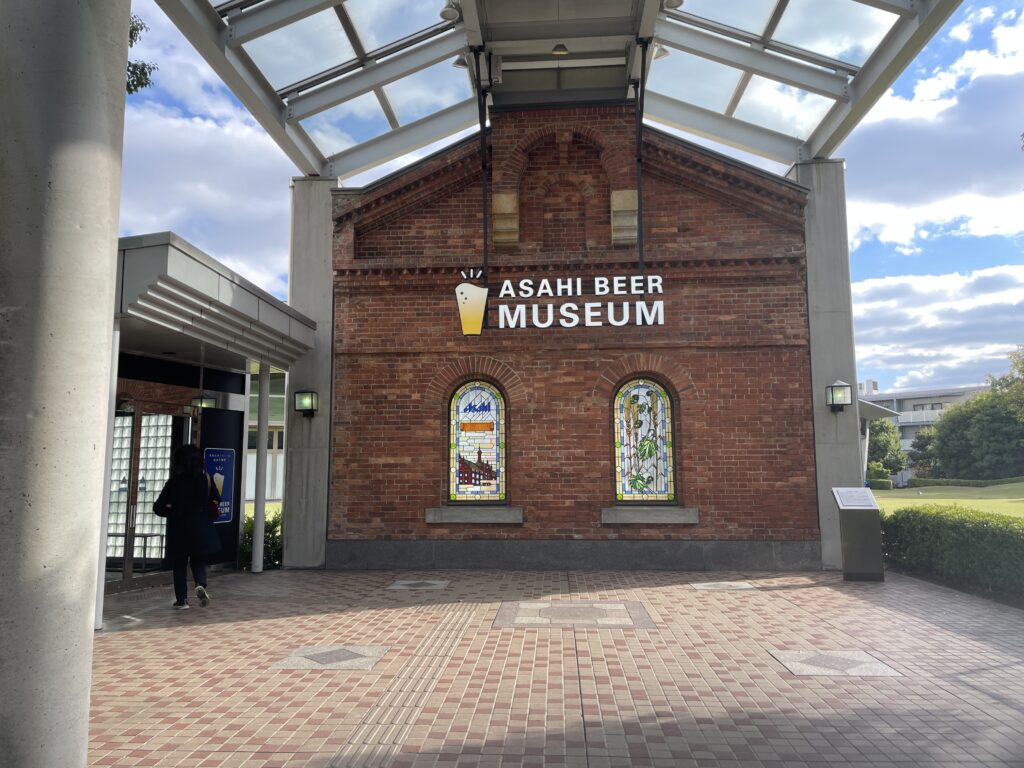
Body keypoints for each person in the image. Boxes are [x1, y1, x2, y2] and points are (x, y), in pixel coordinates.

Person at [153, 444, 221, 609]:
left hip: (179, 530)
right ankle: (200, 584)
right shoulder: (206, 480)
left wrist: (172, 511)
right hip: (201, 529)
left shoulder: (174, 483)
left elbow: (158, 507)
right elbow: (216, 498)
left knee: (179, 564)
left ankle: (182, 600)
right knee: (198, 561)